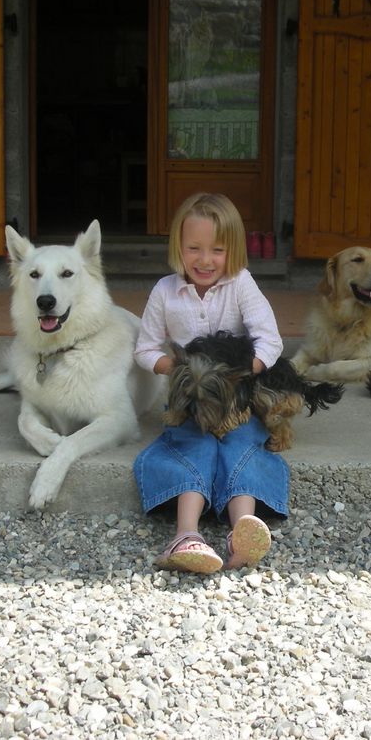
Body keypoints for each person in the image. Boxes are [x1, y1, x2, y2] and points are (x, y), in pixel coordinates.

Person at [133, 192, 288, 573]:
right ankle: (186, 535)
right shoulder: (165, 291)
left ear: (233, 250)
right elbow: (145, 349)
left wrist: (239, 372)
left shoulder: (241, 284)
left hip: (236, 398)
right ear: (178, 247)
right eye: (194, 248)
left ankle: (243, 530)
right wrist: (179, 370)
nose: (205, 260)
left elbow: (271, 340)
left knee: (244, 443)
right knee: (192, 444)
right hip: (190, 398)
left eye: (217, 250)